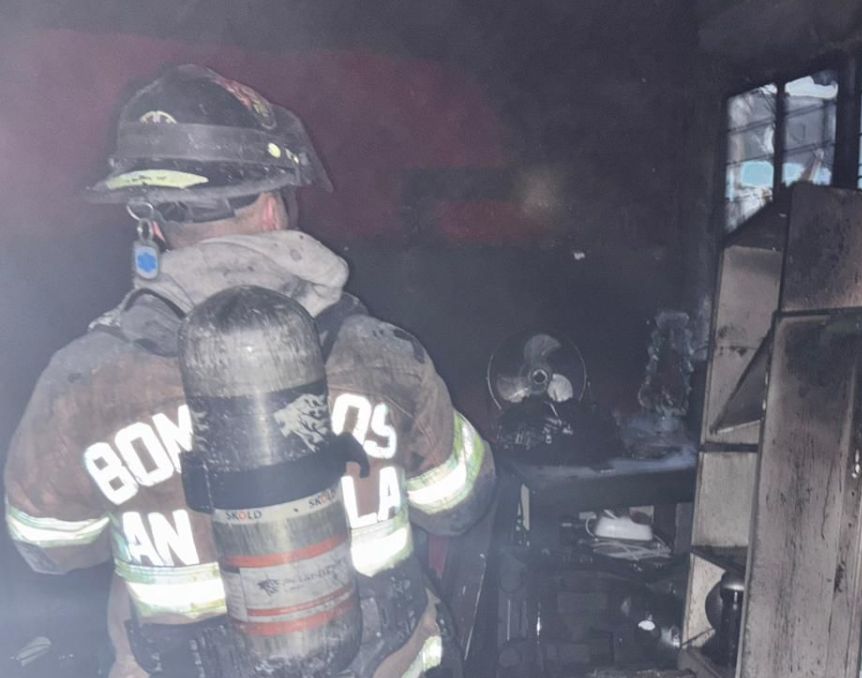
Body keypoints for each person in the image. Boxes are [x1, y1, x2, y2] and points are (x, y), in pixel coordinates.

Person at [3, 64, 495, 678]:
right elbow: (459, 504)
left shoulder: (80, 383)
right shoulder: (384, 355)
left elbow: (50, 549)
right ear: (270, 209)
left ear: (150, 220)